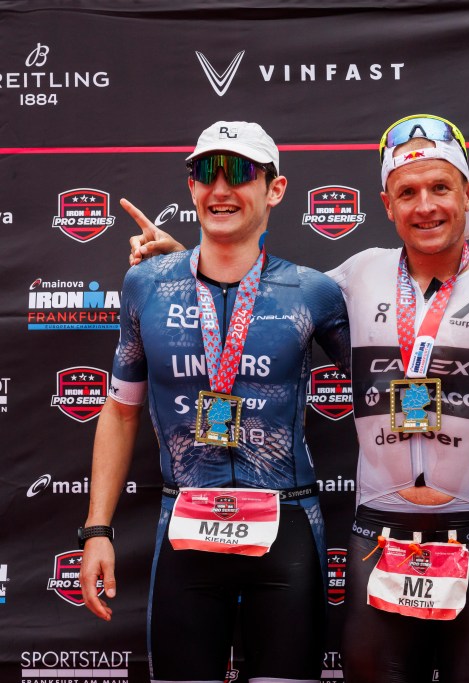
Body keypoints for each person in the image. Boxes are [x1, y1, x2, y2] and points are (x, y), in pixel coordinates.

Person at [124, 115, 469, 683]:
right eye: (407, 192)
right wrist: (186, 259)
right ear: (387, 205)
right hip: (379, 534)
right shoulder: (353, 277)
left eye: (441, 188)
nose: (425, 206)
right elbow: (262, 291)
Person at [80, 120, 351, 683]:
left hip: (287, 525)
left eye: (242, 173)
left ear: (275, 189)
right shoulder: (147, 284)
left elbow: (380, 396)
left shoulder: (314, 291)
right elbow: (122, 409)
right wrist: (96, 530)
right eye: (207, 172)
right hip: (185, 525)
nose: (221, 189)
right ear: (191, 186)